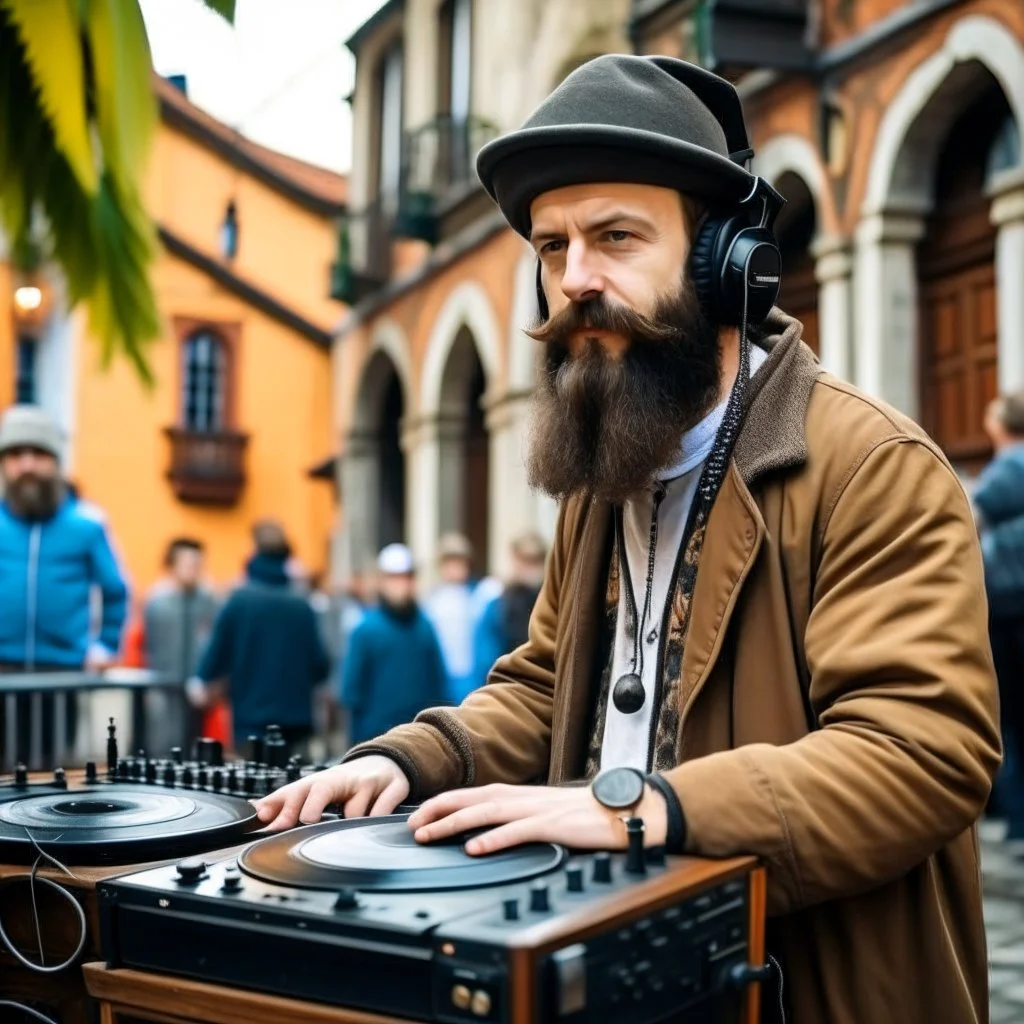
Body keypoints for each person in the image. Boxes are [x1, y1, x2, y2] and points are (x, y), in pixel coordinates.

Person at [255, 55, 1000, 1023]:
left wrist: (645, 810)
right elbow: (542, 682)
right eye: (552, 245)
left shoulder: (873, 464)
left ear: (721, 261)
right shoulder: (605, 479)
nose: (575, 279)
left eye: (614, 237)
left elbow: (921, 750)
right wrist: (411, 758)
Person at [0, 405, 129, 763]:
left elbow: (116, 591)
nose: (26, 465)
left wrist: (105, 645)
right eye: (14, 454)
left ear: (56, 462)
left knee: (47, 777)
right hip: (1, 673)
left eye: (38, 454)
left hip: (61, 677)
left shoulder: (87, 525)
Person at [189, 521, 329, 756]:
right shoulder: (301, 603)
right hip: (295, 720)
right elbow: (320, 664)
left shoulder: (241, 600)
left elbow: (218, 650)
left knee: (256, 787)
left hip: (252, 719)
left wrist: (201, 679)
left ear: (254, 551)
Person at [339, 544, 448, 748]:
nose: (402, 585)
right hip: (375, 737)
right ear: (382, 581)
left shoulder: (425, 627)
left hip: (419, 737)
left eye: (407, 577)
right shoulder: (366, 629)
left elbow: (438, 681)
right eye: (394, 578)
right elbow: (351, 691)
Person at [975, 393, 1024, 841]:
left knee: (1008, 713)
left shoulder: (1008, 468)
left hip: (1008, 608)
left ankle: (1018, 823)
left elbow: (971, 515)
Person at [142, 537, 219, 755]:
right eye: (188, 564)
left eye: (198, 564)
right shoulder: (157, 602)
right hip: (165, 687)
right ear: (172, 564)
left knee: (195, 746)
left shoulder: (208, 601)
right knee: (163, 744)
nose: (194, 570)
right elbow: (147, 646)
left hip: (197, 689)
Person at [472, 532, 547, 684]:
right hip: (508, 688)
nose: (528, 568)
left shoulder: (551, 604)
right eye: (524, 560)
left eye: (535, 561)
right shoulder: (498, 607)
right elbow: (487, 661)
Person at [423, 532, 481, 703]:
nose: (454, 568)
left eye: (459, 562)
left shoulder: (480, 596)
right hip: (441, 676)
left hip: (471, 677)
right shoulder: (431, 600)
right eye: (449, 563)